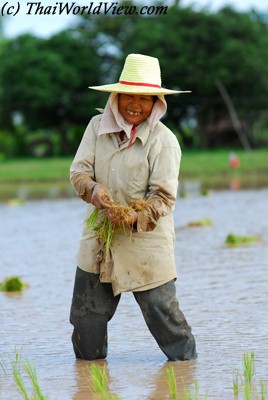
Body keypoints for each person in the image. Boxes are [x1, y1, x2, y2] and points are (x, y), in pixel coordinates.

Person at [69, 53, 197, 361]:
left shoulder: (164, 141)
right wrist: (94, 189)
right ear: (117, 96)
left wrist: (133, 216)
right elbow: (79, 171)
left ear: (156, 103)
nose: (135, 104)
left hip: (147, 244)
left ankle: (187, 374)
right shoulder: (96, 127)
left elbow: (163, 197)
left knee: (166, 321)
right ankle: (90, 382)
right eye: (129, 96)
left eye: (144, 98)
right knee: (87, 324)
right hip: (100, 241)